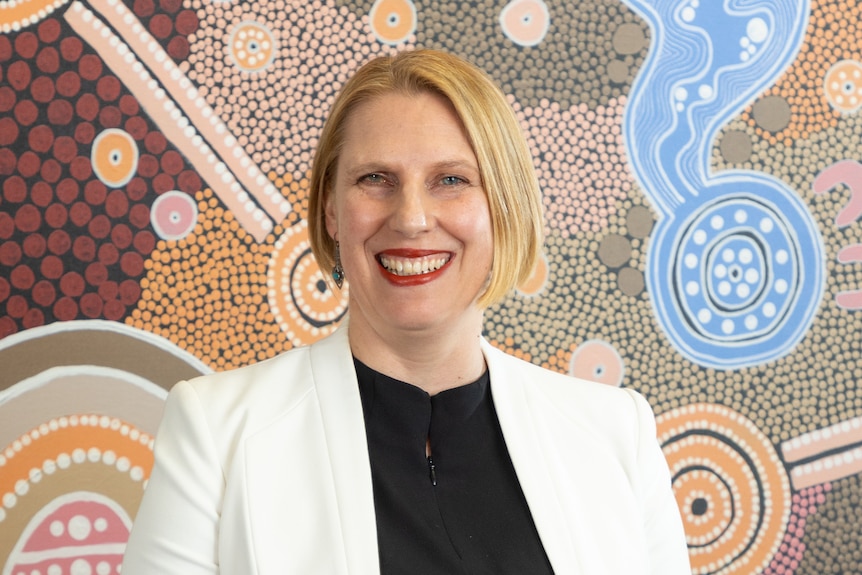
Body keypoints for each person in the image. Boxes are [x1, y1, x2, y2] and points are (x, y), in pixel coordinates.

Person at [121, 49, 691, 574]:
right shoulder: (216, 434)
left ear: (503, 209)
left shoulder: (616, 434)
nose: (412, 218)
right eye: (376, 180)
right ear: (331, 214)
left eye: (450, 180)